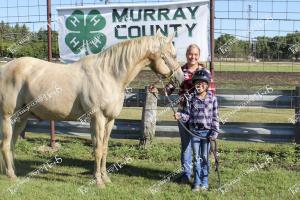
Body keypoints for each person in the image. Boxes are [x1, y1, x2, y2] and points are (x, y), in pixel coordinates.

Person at [149, 44, 215, 184]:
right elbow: (170, 88)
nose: (193, 57)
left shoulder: (204, 72)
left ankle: (203, 174)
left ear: (199, 55)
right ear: (186, 54)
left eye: (196, 54)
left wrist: (208, 113)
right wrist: (158, 90)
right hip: (184, 111)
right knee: (186, 145)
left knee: (202, 146)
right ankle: (186, 174)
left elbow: (211, 93)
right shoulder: (180, 70)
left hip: (201, 115)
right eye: (190, 54)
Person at [175, 69, 219, 191]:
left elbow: (215, 117)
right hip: (194, 133)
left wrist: (214, 132)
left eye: (203, 83)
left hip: (207, 134)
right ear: (194, 84)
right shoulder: (191, 98)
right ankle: (197, 182)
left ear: (207, 84)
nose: (200, 85)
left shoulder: (213, 99)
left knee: (204, 157)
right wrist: (180, 116)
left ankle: (205, 182)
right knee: (196, 158)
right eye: (197, 83)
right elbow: (188, 116)